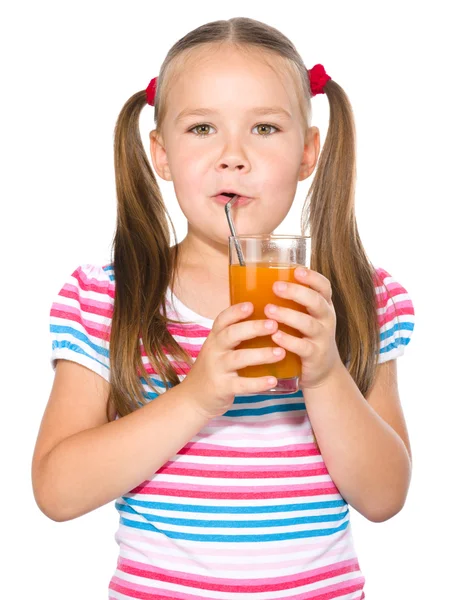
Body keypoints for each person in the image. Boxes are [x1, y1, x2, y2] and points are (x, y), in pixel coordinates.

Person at [32, 17, 415, 600]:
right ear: (161, 153)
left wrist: (326, 373)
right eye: (203, 127)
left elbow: (385, 497)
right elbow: (57, 492)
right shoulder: (108, 298)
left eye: (264, 128)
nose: (233, 156)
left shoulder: (361, 297)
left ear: (308, 152)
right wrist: (198, 394)